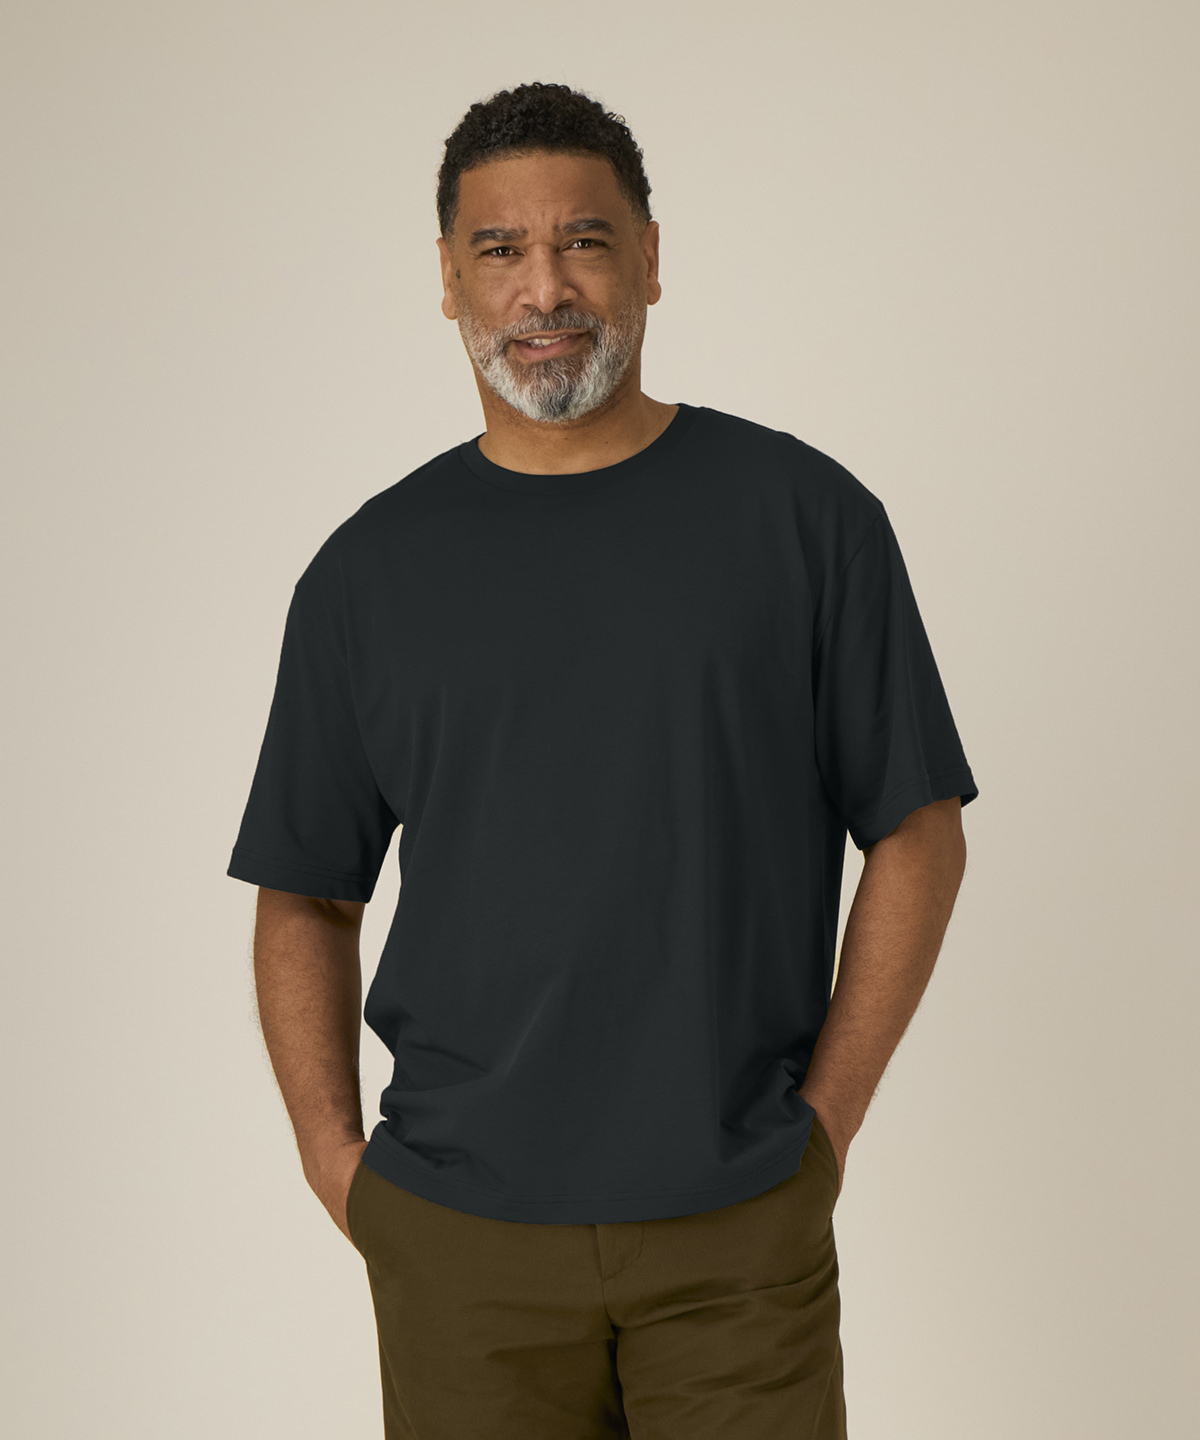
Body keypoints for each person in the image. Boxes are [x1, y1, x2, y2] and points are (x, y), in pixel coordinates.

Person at [227, 80, 978, 1440]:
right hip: (459, 1242)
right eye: (501, 249)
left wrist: (822, 1132)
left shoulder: (806, 520)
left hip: (738, 1227)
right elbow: (306, 894)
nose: (546, 288)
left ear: (649, 258)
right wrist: (341, 1172)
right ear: (448, 281)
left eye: (584, 240)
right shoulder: (366, 575)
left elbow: (918, 830)